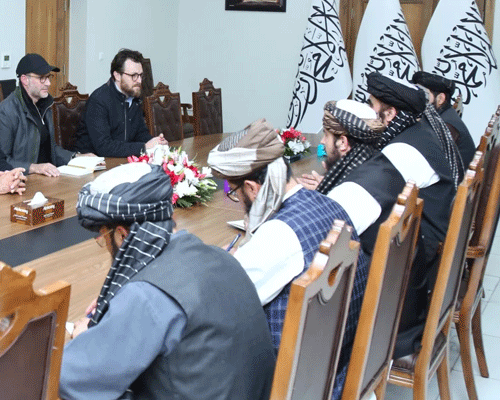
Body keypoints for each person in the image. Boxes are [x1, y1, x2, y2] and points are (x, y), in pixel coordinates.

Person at [60, 163, 275, 400]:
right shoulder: (220, 256)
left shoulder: (146, 295)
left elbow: (68, 378)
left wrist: (84, 337)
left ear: (122, 235)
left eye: (104, 238)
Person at [207, 119, 370, 400]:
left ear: (253, 189)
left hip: (292, 384)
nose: (234, 199)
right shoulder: (329, 203)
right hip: (337, 365)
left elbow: (218, 306)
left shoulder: (278, 237)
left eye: (232, 192)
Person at [326, 72, 460, 357]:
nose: (370, 116)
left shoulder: (402, 151)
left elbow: (343, 212)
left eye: (373, 107)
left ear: (390, 115)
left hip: (422, 258)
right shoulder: (416, 133)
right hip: (423, 250)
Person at [0, 54, 95, 177]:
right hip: (24, 181)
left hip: (49, 177)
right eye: (42, 78)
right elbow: (1, 162)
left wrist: (76, 157)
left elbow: (51, 149)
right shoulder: (6, 112)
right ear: (25, 80)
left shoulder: (45, 105)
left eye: (48, 77)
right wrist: (34, 168)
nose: (48, 83)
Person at [72, 48, 167, 157]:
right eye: (134, 76)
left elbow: (140, 133)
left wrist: (156, 143)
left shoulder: (134, 97)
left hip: (121, 159)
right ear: (117, 75)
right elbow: (104, 147)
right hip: (94, 163)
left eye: (141, 75)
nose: (139, 81)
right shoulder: (98, 100)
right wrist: (144, 147)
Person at [298, 99, 386, 191]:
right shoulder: (371, 167)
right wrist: (328, 185)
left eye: (326, 135)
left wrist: (325, 192)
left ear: (343, 143)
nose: (322, 141)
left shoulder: (349, 189)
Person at [412, 70, 475, 168]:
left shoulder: (446, 126)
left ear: (440, 99)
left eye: (424, 94)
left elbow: (424, 162)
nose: (419, 98)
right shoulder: (444, 113)